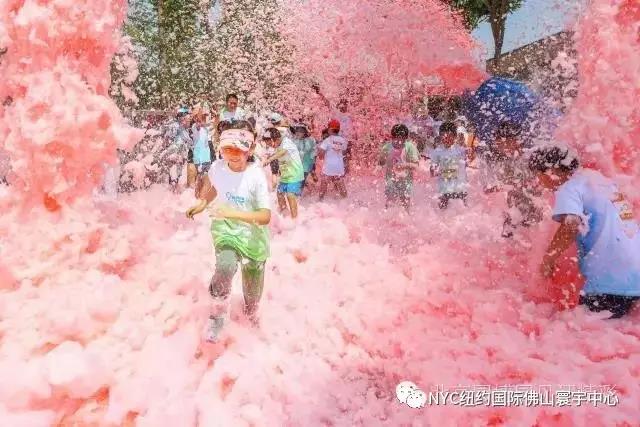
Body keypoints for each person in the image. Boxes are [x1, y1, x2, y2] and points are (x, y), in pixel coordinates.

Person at [530, 144, 640, 318]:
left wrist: (548, 259)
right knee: (614, 335)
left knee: (582, 335)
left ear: (551, 171)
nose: (540, 183)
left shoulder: (569, 188)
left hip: (609, 279)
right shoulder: (600, 181)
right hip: (634, 274)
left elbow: (570, 225)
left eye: (539, 176)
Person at [186, 120, 271, 341]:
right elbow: (216, 188)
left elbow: (265, 216)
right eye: (226, 149)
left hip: (253, 239)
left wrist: (232, 213)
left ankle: (251, 320)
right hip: (225, 231)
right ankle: (217, 315)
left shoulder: (256, 177)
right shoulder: (217, 168)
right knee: (225, 266)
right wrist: (203, 204)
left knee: (252, 297)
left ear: (250, 149)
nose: (232, 155)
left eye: (238, 150)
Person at [485, 121, 543, 238]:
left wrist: (504, 186)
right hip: (515, 210)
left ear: (517, 141)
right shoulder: (505, 162)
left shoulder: (529, 160)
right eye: (499, 143)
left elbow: (534, 185)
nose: (502, 146)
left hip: (531, 210)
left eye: (506, 142)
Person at [262, 127, 305, 219]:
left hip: (295, 174)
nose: (270, 146)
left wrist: (269, 159)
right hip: (285, 175)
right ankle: (284, 214)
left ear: (276, 139)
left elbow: (282, 152)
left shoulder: (286, 142)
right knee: (279, 194)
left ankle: (294, 219)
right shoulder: (277, 145)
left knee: (290, 195)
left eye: (270, 143)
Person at [379, 124, 420, 211]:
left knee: (405, 202)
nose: (398, 142)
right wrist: (378, 166)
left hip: (406, 181)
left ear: (406, 139)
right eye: (395, 139)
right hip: (391, 179)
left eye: (401, 139)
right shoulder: (387, 147)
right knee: (389, 201)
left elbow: (416, 166)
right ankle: (386, 220)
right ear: (392, 137)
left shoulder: (410, 147)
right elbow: (381, 162)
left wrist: (404, 166)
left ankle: (407, 220)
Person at [429, 122, 468, 209]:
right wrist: (436, 170)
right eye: (443, 135)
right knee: (443, 208)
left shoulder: (460, 150)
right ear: (440, 136)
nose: (446, 137)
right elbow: (432, 171)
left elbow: (465, 164)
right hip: (444, 186)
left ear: (455, 136)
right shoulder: (437, 151)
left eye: (449, 135)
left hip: (459, 185)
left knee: (463, 208)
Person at [161, 107, 192, 191]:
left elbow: (188, 140)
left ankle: (175, 183)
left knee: (179, 167)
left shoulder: (184, 128)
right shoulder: (175, 125)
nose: (186, 118)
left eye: (186, 116)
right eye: (183, 116)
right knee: (173, 167)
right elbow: (169, 136)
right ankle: (172, 184)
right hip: (174, 149)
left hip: (181, 151)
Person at [317, 120, 348, 201]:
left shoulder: (327, 140)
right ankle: (345, 200)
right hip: (339, 167)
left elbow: (321, 153)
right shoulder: (343, 140)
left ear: (330, 129)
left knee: (324, 183)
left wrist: (320, 155)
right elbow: (344, 151)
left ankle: (320, 199)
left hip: (329, 166)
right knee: (340, 182)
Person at [290, 122, 317, 190]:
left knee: (301, 181)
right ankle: (308, 187)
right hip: (297, 164)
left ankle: (298, 196)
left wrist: (312, 164)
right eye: (297, 130)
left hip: (306, 164)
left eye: (301, 131)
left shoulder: (310, 140)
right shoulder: (294, 140)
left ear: (305, 132)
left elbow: (313, 152)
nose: (298, 132)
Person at [191, 108, 213, 189]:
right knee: (199, 176)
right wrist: (198, 115)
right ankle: (197, 194)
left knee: (207, 177)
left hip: (206, 157)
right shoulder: (195, 126)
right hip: (199, 158)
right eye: (202, 117)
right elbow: (198, 125)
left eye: (204, 117)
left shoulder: (206, 128)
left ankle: (204, 193)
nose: (203, 119)